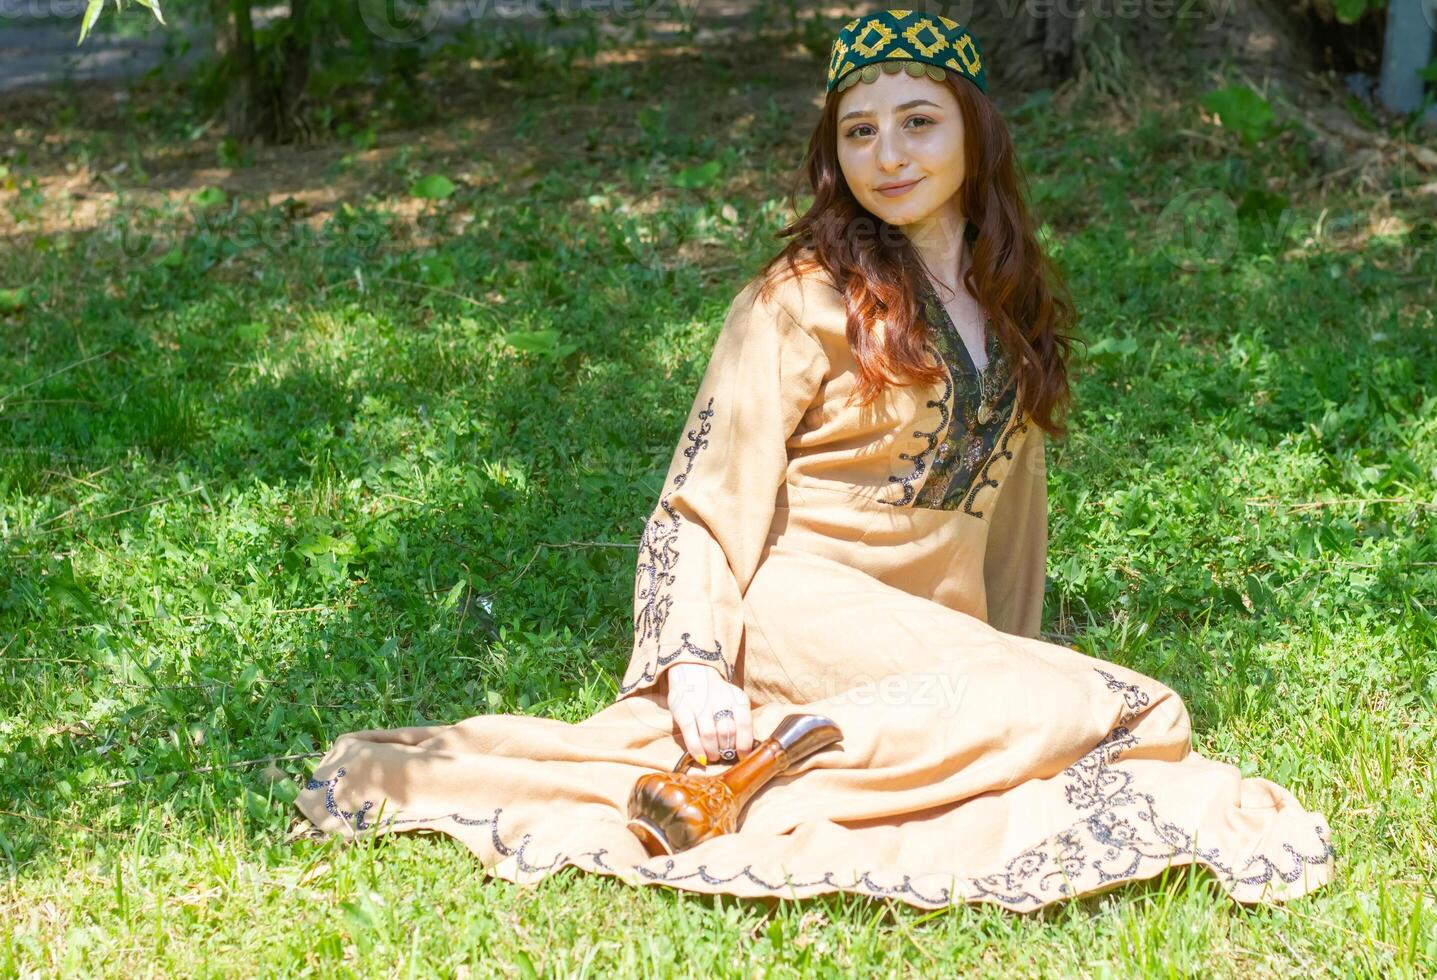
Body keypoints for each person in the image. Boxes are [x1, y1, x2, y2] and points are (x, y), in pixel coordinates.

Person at [293, 9, 1335, 911]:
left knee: (1085, 702)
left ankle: (796, 757)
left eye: (918, 122)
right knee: (1140, 708)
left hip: (926, 642)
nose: (889, 154)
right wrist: (694, 658)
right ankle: (760, 762)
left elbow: (1011, 514)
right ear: (832, 153)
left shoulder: (1007, 300)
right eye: (859, 131)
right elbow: (704, 493)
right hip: (798, 608)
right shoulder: (796, 300)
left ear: (974, 131)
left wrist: (1010, 651)